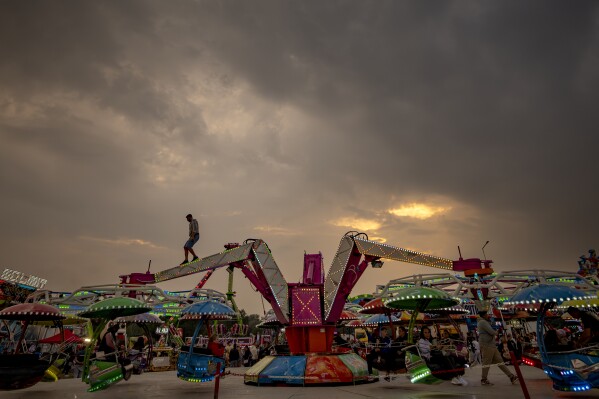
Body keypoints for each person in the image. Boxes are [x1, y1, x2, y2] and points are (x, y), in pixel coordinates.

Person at [477, 311, 518, 386]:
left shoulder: (483, 322)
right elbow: (491, 332)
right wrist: (497, 332)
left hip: (491, 344)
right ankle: (484, 379)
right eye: (486, 314)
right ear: (483, 315)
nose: (488, 315)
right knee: (486, 362)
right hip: (487, 344)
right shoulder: (482, 322)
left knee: (499, 361)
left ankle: (511, 376)